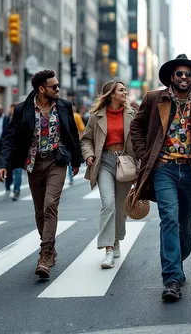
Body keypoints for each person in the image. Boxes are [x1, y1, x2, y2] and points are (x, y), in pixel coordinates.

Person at [130, 54, 191, 302]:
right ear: (172, 77)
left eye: (188, 74)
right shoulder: (153, 99)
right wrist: (143, 155)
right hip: (164, 169)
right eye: (180, 74)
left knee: (186, 226)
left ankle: (177, 261)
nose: (184, 78)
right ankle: (171, 278)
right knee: (169, 220)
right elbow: (136, 128)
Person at [0, 70, 81, 279]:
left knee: (50, 204)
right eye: (55, 86)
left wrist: (76, 160)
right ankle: (51, 249)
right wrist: (3, 164)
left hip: (57, 161)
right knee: (39, 210)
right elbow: (10, 138)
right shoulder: (23, 110)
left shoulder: (64, 106)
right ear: (42, 89)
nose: (58, 89)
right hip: (33, 163)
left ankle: (44, 255)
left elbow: (72, 134)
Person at [81, 81, 135, 268]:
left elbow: (137, 141)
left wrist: (141, 166)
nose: (125, 92)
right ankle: (108, 249)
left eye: (124, 89)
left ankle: (117, 239)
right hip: (104, 162)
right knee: (108, 204)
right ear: (111, 94)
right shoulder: (96, 116)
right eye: (121, 90)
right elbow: (86, 139)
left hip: (125, 164)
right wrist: (89, 155)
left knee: (121, 208)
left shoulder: (131, 115)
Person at [4, 103, 23, 200]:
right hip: (8, 150)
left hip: (19, 150)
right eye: (13, 109)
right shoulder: (6, 120)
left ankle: (16, 190)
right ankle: (7, 186)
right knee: (7, 170)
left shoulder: (23, 120)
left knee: (18, 172)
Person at [67, 105, 86, 185]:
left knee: (69, 159)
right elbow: (82, 128)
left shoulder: (65, 116)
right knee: (75, 156)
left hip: (67, 140)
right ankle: (74, 171)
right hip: (75, 139)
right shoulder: (77, 116)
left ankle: (70, 176)